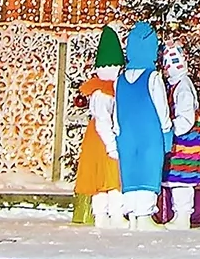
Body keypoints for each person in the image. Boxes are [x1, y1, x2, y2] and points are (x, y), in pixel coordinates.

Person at [107, 21, 173, 226]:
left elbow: (116, 113)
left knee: (130, 170)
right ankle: (144, 216)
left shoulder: (119, 79)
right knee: (148, 169)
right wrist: (167, 132)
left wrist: (117, 134)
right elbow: (162, 110)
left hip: (126, 135)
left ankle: (133, 215)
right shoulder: (153, 77)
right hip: (150, 135)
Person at [71, 27, 124, 226]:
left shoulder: (103, 89)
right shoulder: (103, 92)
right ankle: (110, 215)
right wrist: (112, 145)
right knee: (110, 177)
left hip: (98, 137)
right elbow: (103, 119)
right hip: (103, 139)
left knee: (104, 177)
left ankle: (104, 215)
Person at [158, 39, 200, 227]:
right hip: (179, 141)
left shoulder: (183, 87)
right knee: (176, 179)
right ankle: (178, 214)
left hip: (185, 143)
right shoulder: (176, 85)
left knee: (182, 181)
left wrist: (170, 130)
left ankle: (183, 215)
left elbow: (186, 119)